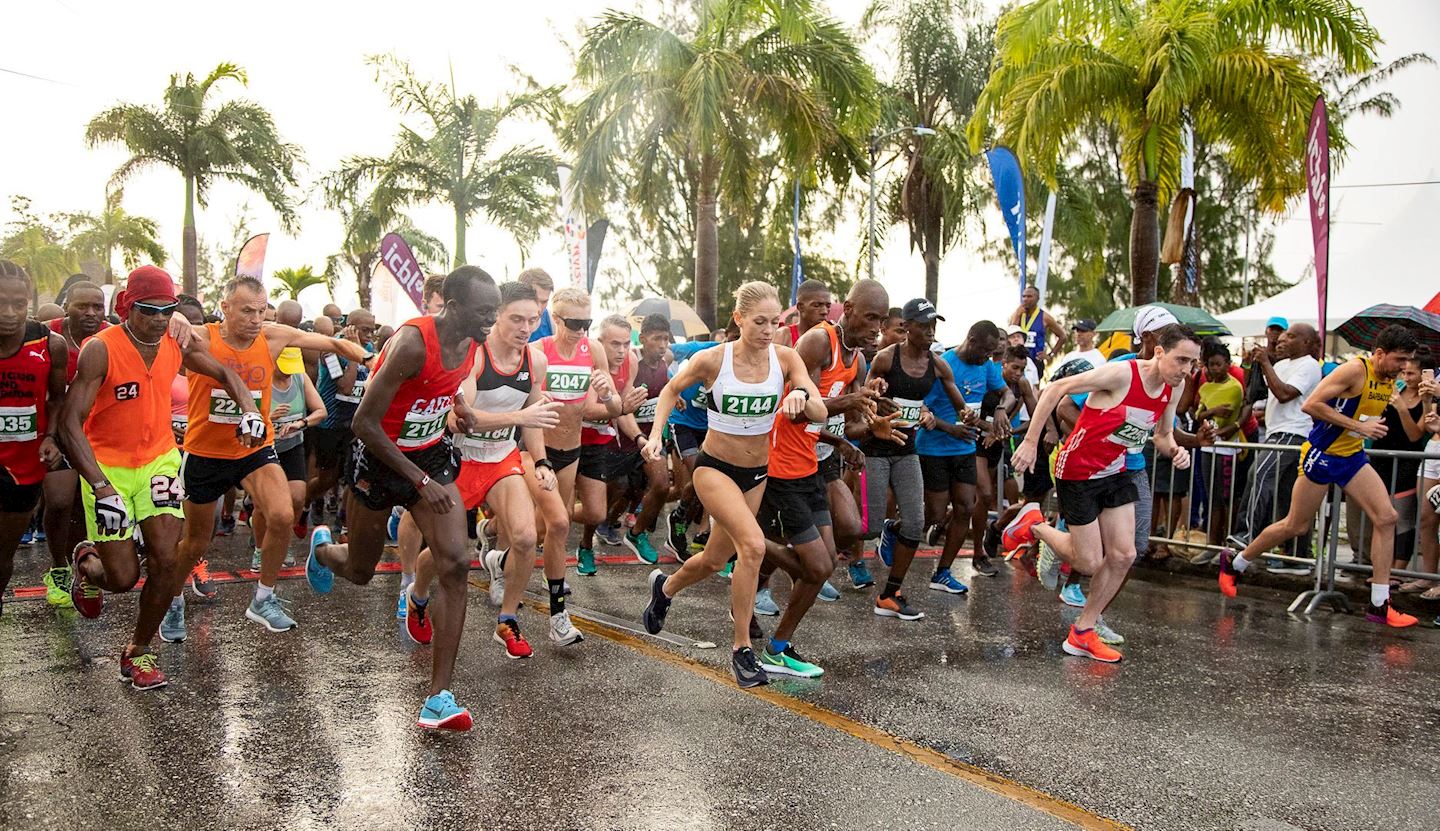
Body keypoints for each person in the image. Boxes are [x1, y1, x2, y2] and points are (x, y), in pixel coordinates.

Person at [306, 265, 497, 730]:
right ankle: (325, 551)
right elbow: (363, 424)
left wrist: (462, 409)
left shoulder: (472, 340)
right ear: (453, 307)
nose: (490, 320)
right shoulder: (413, 343)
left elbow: (442, 390)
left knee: (456, 561)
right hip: (379, 460)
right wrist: (419, 482)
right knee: (360, 571)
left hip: (430, 456)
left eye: (494, 311)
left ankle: (439, 699)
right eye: (483, 311)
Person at [61, 266, 259, 689]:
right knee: (122, 578)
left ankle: (138, 651)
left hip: (159, 460)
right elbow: (69, 425)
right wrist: (99, 485)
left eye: (166, 309)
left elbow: (227, 374)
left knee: (168, 558)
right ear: (128, 307)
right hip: (108, 467)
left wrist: (251, 411)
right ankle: (86, 564)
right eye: (148, 310)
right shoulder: (101, 349)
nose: (157, 318)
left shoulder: (175, 339)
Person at [641, 281, 826, 688]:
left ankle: (665, 589)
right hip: (714, 470)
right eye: (759, 321)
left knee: (712, 559)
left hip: (756, 474)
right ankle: (742, 649)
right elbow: (672, 390)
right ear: (739, 319)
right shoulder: (713, 360)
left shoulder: (786, 358)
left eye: (774, 322)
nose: (767, 330)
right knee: (754, 546)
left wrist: (800, 399)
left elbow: (820, 408)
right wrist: (655, 436)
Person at [170, 276, 365, 637]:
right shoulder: (204, 336)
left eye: (261, 311)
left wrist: (363, 353)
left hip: (255, 448)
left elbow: (327, 341)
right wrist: (176, 319)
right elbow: (163, 329)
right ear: (224, 307)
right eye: (246, 311)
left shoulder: (272, 336)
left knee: (281, 514)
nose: (255, 319)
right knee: (196, 540)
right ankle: (173, 599)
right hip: (206, 452)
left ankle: (262, 597)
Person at [1005, 323, 1201, 663]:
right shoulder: (1122, 375)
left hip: (1117, 469)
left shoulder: (1175, 386)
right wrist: (1031, 441)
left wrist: (1175, 451)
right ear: (1159, 352)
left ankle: (1083, 631)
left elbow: (1164, 434)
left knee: (1124, 555)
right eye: (1181, 360)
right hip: (1078, 469)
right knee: (1089, 561)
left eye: (1192, 363)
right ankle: (1034, 523)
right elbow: (1056, 389)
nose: (1186, 370)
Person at [1217, 324, 1421, 628]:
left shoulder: (1390, 382)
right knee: (1295, 525)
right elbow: (1312, 405)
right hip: (1322, 455)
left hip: (1351, 457)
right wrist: (1361, 427)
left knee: (1387, 517)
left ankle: (1380, 603)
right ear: (1380, 354)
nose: (1404, 368)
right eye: (1400, 360)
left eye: (1408, 362)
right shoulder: (1354, 371)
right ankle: (1235, 562)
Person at [412, 280, 570, 656]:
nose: (525, 328)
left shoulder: (536, 360)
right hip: (461, 461)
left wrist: (543, 460)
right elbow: (460, 419)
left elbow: (534, 419)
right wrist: (520, 415)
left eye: (533, 320)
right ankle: (417, 596)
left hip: (501, 459)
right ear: (497, 315)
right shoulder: (474, 355)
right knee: (445, 550)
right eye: (517, 319)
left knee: (526, 537)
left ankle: (508, 621)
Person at [752, 279, 888, 676]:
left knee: (826, 561)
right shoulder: (817, 342)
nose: (876, 328)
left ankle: (778, 646)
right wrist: (849, 401)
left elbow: (853, 422)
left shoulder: (858, 359)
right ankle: (747, 545)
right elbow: (794, 411)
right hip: (782, 464)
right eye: (870, 317)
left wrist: (872, 426)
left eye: (881, 320)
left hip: (814, 462)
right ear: (846, 308)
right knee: (815, 565)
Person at [867, 298, 975, 620]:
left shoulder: (938, 364)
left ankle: (891, 593)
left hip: (907, 451)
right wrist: (877, 398)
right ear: (907, 327)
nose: (930, 332)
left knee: (916, 521)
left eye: (934, 327)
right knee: (865, 527)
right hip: (876, 449)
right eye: (924, 326)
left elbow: (959, 405)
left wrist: (966, 414)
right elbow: (866, 398)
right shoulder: (886, 359)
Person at [534, 287, 620, 573]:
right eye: (574, 323)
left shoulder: (593, 349)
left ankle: (552, 577)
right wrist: (533, 398)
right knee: (537, 524)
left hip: (572, 449)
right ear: (556, 319)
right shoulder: (538, 351)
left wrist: (608, 394)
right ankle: (499, 547)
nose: (581, 330)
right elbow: (516, 398)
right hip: (538, 448)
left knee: (561, 520)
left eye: (587, 323)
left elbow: (615, 408)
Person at [0, 262, 66, 617]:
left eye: (17, 303)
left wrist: (52, 436)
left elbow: (57, 398)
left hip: (23, 467)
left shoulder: (48, 343)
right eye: (0, 302)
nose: (8, 313)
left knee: (3, 556)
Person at [38, 281, 109, 607]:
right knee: (59, 501)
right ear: (67, 305)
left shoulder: (111, 337)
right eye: (83, 306)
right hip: (58, 433)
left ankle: (83, 568)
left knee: (85, 506)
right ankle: (57, 567)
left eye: (97, 306)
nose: (91, 313)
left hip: (97, 435)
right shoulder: (47, 335)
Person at [1231, 324, 1322, 568]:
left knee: (1258, 474)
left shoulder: (1309, 365)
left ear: (1305, 342)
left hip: (1292, 433)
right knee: (1288, 497)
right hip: (1276, 432)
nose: (1281, 342)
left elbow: (1285, 394)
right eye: (1279, 339)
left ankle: (1245, 533)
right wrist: (1254, 365)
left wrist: (1267, 364)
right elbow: (1254, 394)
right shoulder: (1281, 365)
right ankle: (1295, 556)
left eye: (1289, 337)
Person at [249, 346, 326, 570]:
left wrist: (301, 423)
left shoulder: (300, 378)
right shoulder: (260, 379)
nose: (288, 373)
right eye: (284, 368)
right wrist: (267, 418)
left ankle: (283, 541)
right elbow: (244, 418)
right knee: (264, 504)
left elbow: (321, 411)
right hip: (264, 448)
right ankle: (260, 549)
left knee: (297, 498)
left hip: (292, 446)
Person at [1362, 348, 1433, 571]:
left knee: (1402, 518)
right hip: (1381, 457)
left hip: (1406, 461)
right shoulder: (1395, 387)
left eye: (1411, 373)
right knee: (1380, 517)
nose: (1405, 377)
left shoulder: (1427, 399)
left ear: (1424, 374)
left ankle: (1398, 569)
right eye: (1404, 372)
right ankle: (1381, 568)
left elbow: (1416, 434)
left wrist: (1402, 409)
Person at [1193, 340, 1249, 546]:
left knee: (1227, 497)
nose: (1214, 368)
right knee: (1211, 497)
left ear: (1228, 364)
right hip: (1208, 445)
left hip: (1227, 447)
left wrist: (1211, 415)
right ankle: (1213, 542)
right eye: (1211, 364)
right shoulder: (1206, 387)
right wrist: (1213, 411)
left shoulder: (1235, 387)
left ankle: (1227, 541)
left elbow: (1230, 416)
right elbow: (1199, 414)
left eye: (1218, 364)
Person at [1008, 285, 1066, 367]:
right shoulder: (1018, 314)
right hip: (1017, 360)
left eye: (1029, 296)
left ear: (1037, 298)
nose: (1025, 299)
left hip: (1036, 361)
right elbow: (1010, 332)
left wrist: (1050, 355)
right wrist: (1017, 314)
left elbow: (1063, 336)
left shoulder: (1045, 317)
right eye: (1024, 296)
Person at [777, 279, 832, 347]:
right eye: (817, 306)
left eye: (828, 306)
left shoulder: (832, 337)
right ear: (800, 307)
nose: (824, 311)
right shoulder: (783, 336)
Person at [518, 268, 555, 342]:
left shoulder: (551, 320)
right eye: (535, 300)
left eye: (544, 302)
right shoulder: (503, 322)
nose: (539, 308)